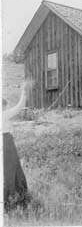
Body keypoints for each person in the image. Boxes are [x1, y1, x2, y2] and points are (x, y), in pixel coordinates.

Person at [3, 82, 31, 212]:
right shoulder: (3, 114)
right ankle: (14, 198)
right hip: (7, 144)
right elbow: (20, 106)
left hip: (6, 143)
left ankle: (9, 199)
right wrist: (23, 92)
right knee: (11, 170)